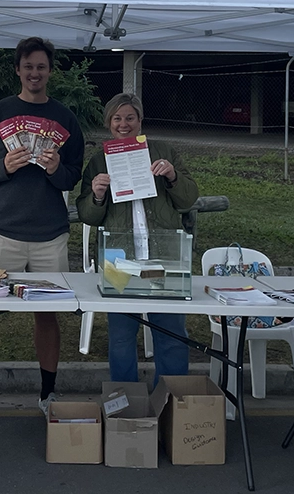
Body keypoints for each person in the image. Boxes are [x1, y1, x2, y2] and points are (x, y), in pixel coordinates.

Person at [0, 37, 85, 426]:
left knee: (48, 315)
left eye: (41, 67)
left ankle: (48, 393)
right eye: (28, 66)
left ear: (50, 71)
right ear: (18, 69)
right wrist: (3, 168)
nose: (34, 73)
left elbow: (73, 173)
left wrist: (54, 170)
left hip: (50, 234)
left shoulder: (65, 118)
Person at [76, 92, 199, 385]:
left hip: (164, 254)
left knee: (170, 334)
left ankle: (169, 402)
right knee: (121, 337)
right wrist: (96, 195)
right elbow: (88, 216)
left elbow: (188, 200)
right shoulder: (98, 161)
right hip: (118, 259)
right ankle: (126, 404)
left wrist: (172, 177)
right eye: (117, 118)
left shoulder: (163, 151)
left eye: (130, 117)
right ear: (109, 123)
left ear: (140, 121)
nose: (124, 124)